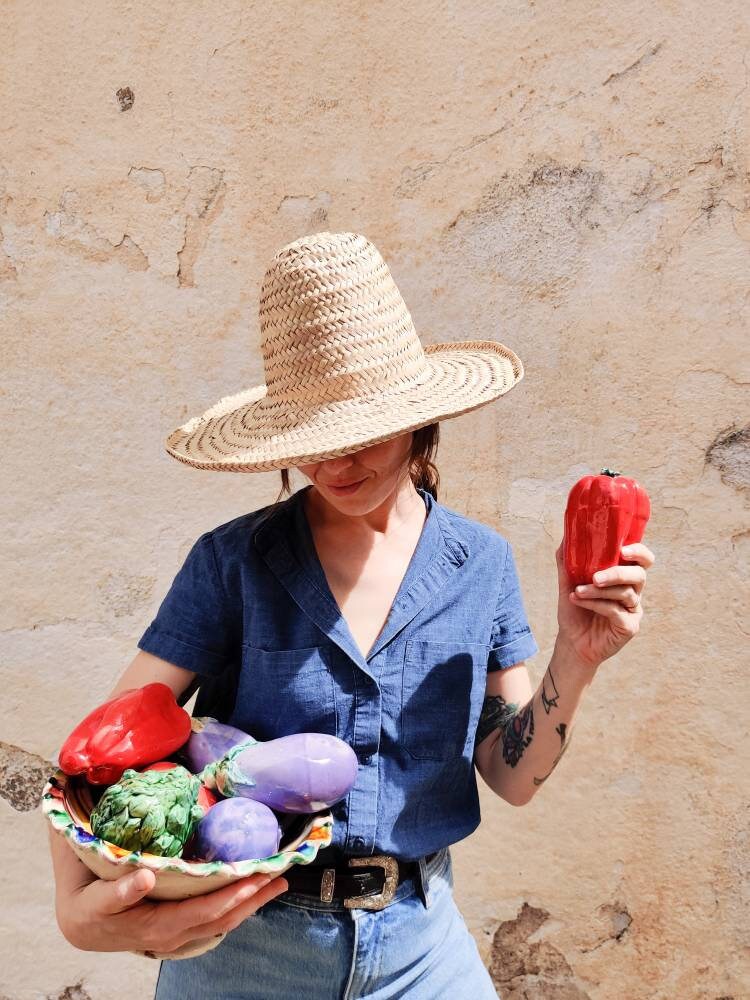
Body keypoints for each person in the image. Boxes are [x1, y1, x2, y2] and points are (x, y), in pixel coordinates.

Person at [48, 232, 654, 998]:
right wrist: (79, 911)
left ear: (419, 417)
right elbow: (96, 753)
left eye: (362, 431)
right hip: (246, 949)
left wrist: (579, 655)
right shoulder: (232, 563)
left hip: (423, 949)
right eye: (313, 439)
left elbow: (513, 776)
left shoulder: (482, 563)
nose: (336, 465)